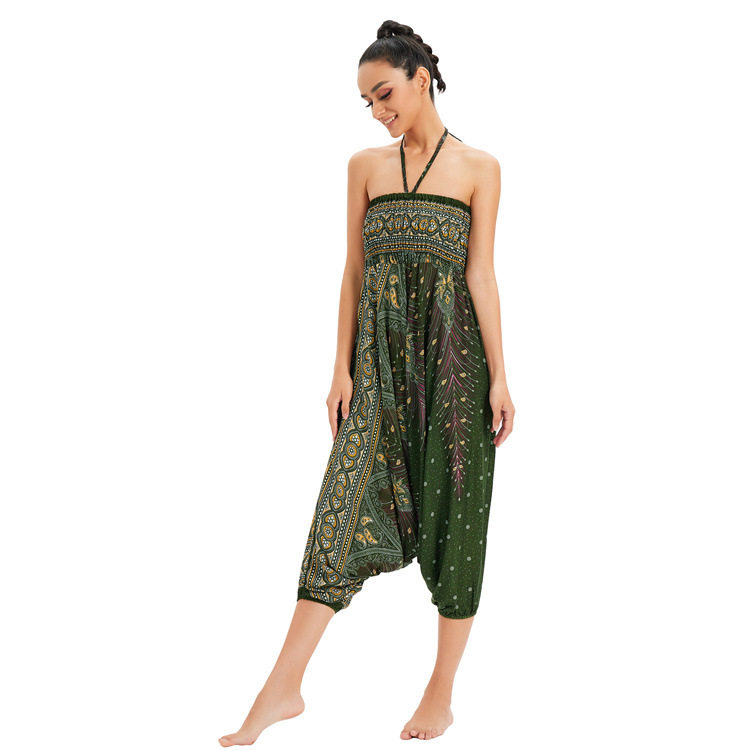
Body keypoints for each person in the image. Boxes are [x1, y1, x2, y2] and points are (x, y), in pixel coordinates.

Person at [219, 19, 514, 746]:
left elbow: (480, 274)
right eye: (368, 102)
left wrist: (501, 378)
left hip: (454, 367)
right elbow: (353, 271)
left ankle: (441, 693)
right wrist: (340, 367)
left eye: (384, 94)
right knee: (339, 510)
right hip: (378, 366)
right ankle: (282, 687)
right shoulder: (365, 167)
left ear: (421, 79)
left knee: (458, 519)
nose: (378, 110)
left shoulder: (480, 168)